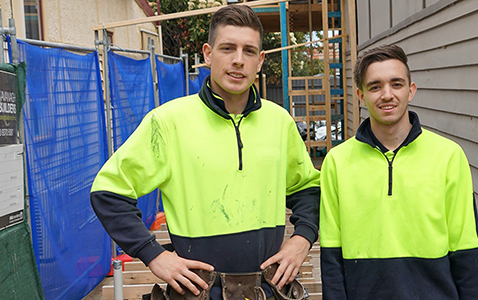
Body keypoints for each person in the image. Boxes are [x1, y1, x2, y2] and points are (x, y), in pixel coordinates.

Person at [90, 4, 320, 299]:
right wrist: (154, 255)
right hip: (198, 291)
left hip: (266, 290)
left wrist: (302, 239)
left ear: (260, 60)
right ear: (208, 54)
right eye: (228, 48)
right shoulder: (169, 122)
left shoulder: (279, 122)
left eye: (249, 51)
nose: (238, 60)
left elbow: (307, 188)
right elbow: (108, 192)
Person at [319, 44, 478, 299]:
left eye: (396, 84)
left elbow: (467, 251)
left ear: (411, 91)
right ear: (361, 96)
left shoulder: (448, 156)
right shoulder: (336, 162)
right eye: (375, 86)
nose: (387, 94)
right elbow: (331, 259)